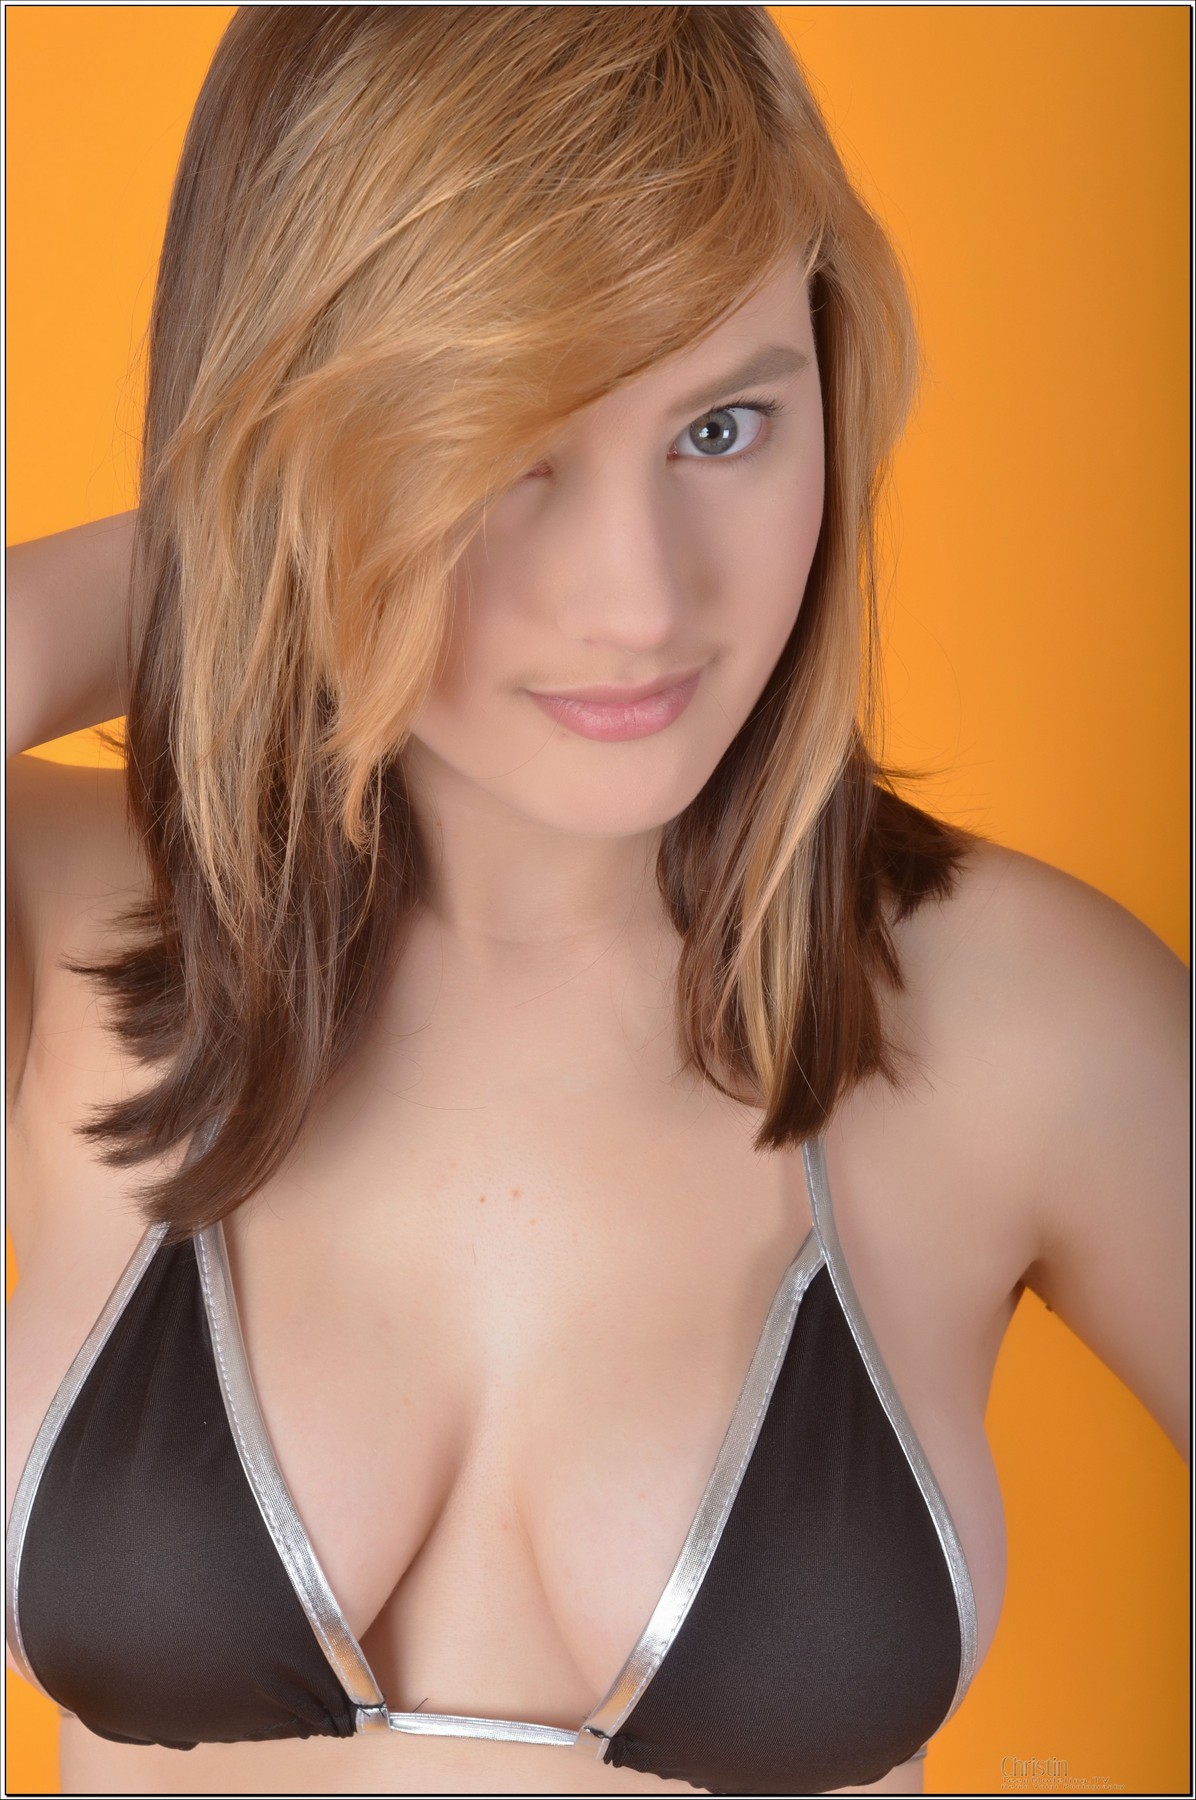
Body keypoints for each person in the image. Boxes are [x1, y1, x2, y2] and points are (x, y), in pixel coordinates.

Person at [4, 7, 1187, 1798]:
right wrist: (246, 554)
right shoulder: (76, 931)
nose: (639, 603)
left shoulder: (1021, 1016)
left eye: (722, 425)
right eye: (498, 448)